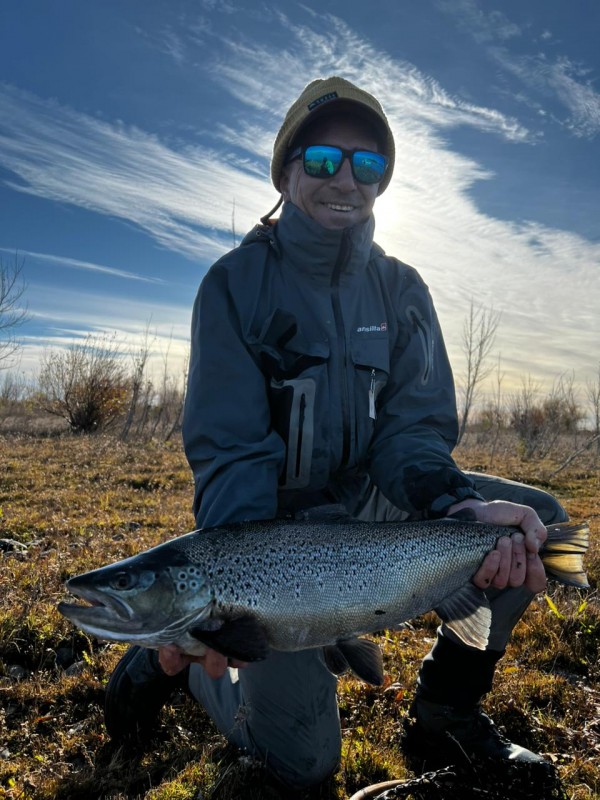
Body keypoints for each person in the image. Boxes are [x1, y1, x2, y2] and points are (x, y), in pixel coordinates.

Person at [104, 77, 567, 791]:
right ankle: (178, 657)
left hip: (370, 504)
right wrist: (227, 602)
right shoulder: (234, 285)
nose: (346, 180)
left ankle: (444, 712)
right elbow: (231, 450)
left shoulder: (402, 289)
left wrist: (455, 503)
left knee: (534, 523)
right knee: (304, 765)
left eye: (368, 164)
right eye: (323, 160)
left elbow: (413, 431)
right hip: (270, 530)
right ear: (286, 173)